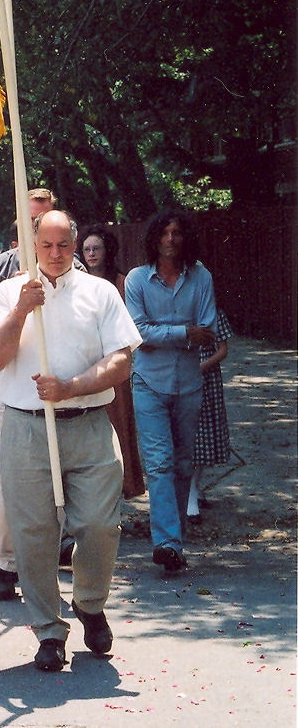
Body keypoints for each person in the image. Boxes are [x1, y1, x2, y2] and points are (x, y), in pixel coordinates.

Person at [0, 210, 142, 672]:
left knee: (98, 525)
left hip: (88, 422)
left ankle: (89, 603)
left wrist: (71, 387)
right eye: (46, 246)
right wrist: (20, 312)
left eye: (63, 245)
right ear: (33, 245)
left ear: (76, 244)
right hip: (26, 427)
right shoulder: (11, 291)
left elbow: (121, 362)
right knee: (34, 534)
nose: (55, 255)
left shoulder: (100, 291)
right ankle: (48, 630)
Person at [0, 188, 56, 601]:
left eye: (45, 220)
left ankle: (51, 555)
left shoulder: (70, 267)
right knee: (8, 483)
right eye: (32, 222)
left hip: (56, 394)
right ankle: (6, 563)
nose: (38, 230)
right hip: (6, 393)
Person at [125, 208, 217, 574]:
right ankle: (167, 542)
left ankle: (173, 537)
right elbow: (137, 335)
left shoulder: (201, 277)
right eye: (164, 233)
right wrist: (182, 333)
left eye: (177, 233)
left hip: (189, 384)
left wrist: (160, 333)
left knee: (182, 463)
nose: (170, 239)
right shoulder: (137, 280)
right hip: (148, 384)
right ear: (153, 238)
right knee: (160, 463)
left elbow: (207, 330)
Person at [77, 224, 145, 500]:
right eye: (87, 249)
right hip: (85, 365)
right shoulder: (76, 284)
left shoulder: (121, 282)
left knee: (120, 426)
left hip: (115, 365)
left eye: (96, 248)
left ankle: (125, 487)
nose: (91, 254)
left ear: (107, 251)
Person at [188, 308, 232, 521]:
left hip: (208, 379)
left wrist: (201, 367)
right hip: (184, 378)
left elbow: (222, 350)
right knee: (191, 438)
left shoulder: (214, 314)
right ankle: (189, 495)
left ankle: (195, 488)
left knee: (205, 438)